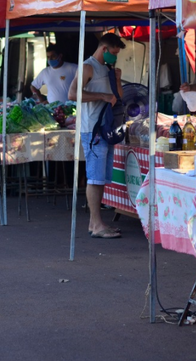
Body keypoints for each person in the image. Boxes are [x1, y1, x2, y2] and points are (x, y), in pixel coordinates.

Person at [68, 33, 125, 239]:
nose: (115, 57)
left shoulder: (107, 68)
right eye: (114, 53)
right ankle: (96, 223)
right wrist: (101, 96)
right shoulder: (87, 66)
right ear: (104, 49)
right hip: (92, 129)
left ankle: (96, 223)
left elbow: (118, 97)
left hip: (106, 128)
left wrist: (116, 79)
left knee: (100, 178)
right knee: (94, 177)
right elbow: (72, 94)